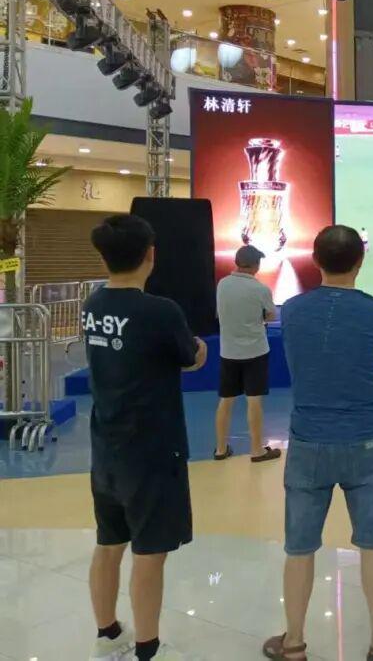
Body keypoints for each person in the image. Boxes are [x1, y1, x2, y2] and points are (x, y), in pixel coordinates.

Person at [264, 225, 373, 661]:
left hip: (308, 439)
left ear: (316, 260)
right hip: (365, 439)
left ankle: (294, 641)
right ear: (360, 261)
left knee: (299, 546)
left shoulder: (294, 310)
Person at [84, 214, 207, 661]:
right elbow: (190, 357)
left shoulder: (92, 305)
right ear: (150, 255)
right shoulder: (160, 311)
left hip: (106, 447)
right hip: (152, 450)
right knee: (150, 553)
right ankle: (148, 649)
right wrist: (199, 349)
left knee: (108, 543)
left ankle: (107, 633)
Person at [213, 244, 280, 462]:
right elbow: (271, 316)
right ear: (255, 265)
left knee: (226, 400)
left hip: (228, 351)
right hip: (255, 351)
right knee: (254, 401)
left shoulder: (222, 284)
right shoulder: (261, 289)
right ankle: (257, 450)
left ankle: (220, 449)